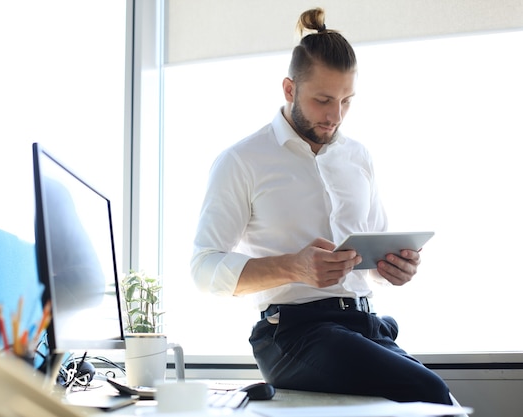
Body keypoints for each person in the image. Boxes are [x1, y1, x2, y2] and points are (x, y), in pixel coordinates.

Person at [190, 7, 455, 405]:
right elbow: (203, 269)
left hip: (365, 325)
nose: (335, 116)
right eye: (323, 100)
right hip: (294, 333)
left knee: (443, 402)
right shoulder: (242, 161)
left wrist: (396, 267)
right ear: (289, 89)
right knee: (428, 390)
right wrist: (291, 266)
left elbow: (376, 255)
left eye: (347, 101)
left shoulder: (359, 157)